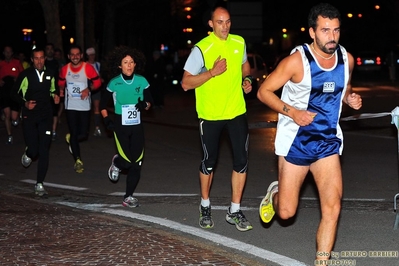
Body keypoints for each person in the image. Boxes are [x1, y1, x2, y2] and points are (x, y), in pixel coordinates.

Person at [257, 3, 362, 261]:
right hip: (296, 142)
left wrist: (350, 99)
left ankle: (322, 260)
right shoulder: (296, 62)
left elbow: (343, 89)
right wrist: (293, 113)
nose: (332, 37)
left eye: (336, 30)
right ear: (312, 32)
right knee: (286, 213)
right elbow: (264, 92)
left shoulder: (346, 60)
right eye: (325, 30)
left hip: (327, 142)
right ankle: (275, 194)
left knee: (332, 207)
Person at [181, 6, 254, 232]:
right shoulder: (201, 49)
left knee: (241, 162)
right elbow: (185, 83)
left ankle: (234, 210)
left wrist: (248, 79)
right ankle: (205, 206)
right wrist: (211, 73)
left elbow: (244, 65)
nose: (225, 26)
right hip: (210, 114)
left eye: (228, 21)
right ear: (211, 24)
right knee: (209, 162)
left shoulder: (239, 42)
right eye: (220, 22)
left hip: (236, 112)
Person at [100, 46, 153, 207]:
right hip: (120, 125)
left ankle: (128, 197)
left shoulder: (142, 81)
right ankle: (117, 163)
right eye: (125, 62)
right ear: (119, 65)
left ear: (135, 64)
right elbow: (102, 105)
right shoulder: (114, 83)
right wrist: (107, 120)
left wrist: (145, 104)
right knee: (127, 162)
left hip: (137, 126)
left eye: (131, 62)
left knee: (136, 164)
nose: (129, 65)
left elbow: (150, 103)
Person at [11, 47, 59, 196]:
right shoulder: (25, 75)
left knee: (44, 150)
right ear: (32, 60)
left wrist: (56, 96)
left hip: (46, 115)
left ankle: (39, 183)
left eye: (41, 58)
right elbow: (14, 93)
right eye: (36, 58)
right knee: (34, 150)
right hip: (29, 116)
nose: (39, 61)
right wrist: (25, 104)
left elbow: (53, 90)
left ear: (44, 58)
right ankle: (28, 153)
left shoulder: (51, 74)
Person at [58, 44, 101, 173]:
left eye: (77, 54)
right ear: (68, 56)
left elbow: (98, 82)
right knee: (75, 132)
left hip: (84, 106)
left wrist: (88, 89)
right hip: (70, 105)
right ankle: (78, 160)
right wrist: (60, 90)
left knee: (83, 134)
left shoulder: (87, 68)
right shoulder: (65, 69)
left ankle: (71, 138)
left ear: (81, 55)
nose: (75, 57)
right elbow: (60, 82)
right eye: (72, 54)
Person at [0, 45, 24, 144]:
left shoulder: (17, 62)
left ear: (12, 53)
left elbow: (23, 74)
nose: (8, 53)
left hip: (14, 91)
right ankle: (10, 136)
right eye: (6, 52)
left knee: (14, 117)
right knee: (7, 114)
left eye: (10, 52)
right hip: (4, 91)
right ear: (3, 53)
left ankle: (16, 118)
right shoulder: (1, 63)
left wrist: (17, 79)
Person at [86, 47, 103, 136]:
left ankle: (97, 127)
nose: (92, 56)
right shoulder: (85, 65)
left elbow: (99, 75)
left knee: (96, 108)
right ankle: (85, 128)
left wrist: (101, 79)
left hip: (96, 89)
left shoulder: (97, 65)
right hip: (87, 89)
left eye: (93, 55)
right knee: (87, 108)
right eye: (90, 55)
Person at [44, 43, 60, 141]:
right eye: (47, 49)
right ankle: (45, 131)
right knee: (45, 111)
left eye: (51, 49)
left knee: (54, 111)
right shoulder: (42, 62)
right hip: (44, 90)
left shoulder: (57, 63)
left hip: (55, 90)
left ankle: (53, 131)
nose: (50, 51)